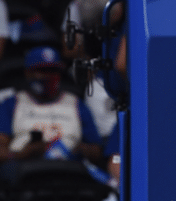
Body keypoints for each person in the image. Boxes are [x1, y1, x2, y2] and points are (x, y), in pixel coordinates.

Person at [0, 45, 104, 183]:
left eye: (53, 71)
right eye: (42, 71)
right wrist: (22, 154)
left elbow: (96, 150)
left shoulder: (76, 103)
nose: (49, 76)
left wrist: (80, 149)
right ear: (28, 73)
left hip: (69, 170)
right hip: (24, 171)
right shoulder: (12, 103)